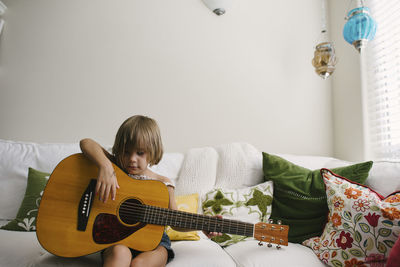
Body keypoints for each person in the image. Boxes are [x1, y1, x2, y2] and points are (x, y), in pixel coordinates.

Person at [81, 115, 220, 267]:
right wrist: (105, 167)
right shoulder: (116, 169)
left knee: (139, 265)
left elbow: (175, 221)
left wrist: (203, 224)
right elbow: (86, 142)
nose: (132, 159)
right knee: (118, 254)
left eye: (140, 153)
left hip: (155, 243)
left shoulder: (162, 184)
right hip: (116, 238)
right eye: (126, 152)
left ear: (153, 151)